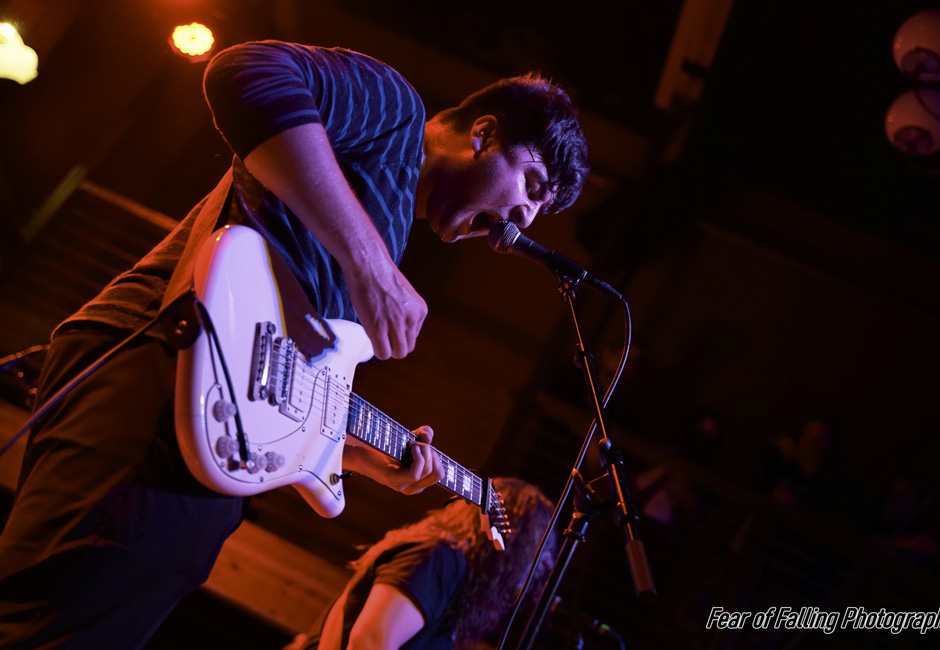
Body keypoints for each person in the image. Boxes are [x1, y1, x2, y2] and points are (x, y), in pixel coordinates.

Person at [0, 40, 589, 648]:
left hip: (203, 441)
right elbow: (244, 72)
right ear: (483, 134)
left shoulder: (382, 221)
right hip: (158, 375)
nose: (523, 219)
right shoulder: (396, 112)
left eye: (541, 209)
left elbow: (272, 367)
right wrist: (371, 266)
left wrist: (345, 454)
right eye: (532, 182)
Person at [285, 477, 556, 650]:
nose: (540, 564)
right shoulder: (439, 558)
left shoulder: (454, 578)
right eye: (532, 550)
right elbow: (368, 644)